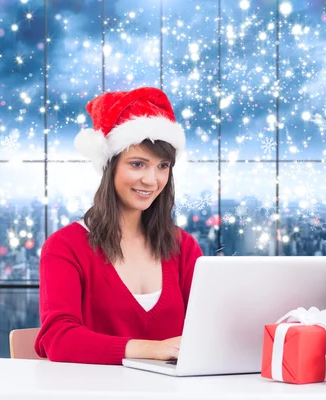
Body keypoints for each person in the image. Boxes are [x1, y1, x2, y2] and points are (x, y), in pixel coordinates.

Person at [34, 87, 203, 364]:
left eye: (162, 166)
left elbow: (211, 327)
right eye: (138, 164)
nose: (152, 180)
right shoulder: (65, 246)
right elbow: (58, 340)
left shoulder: (183, 246)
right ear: (109, 167)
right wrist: (153, 349)